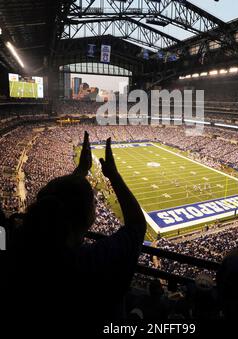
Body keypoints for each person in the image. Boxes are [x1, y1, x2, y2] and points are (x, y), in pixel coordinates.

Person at [1, 132, 146, 334]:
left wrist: (80, 171)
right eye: (93, 203)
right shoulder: (87, 262)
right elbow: (138, 226)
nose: (95, 205)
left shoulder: (16, 245)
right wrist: (113, 175)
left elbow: (49, 199)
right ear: (84, 218)